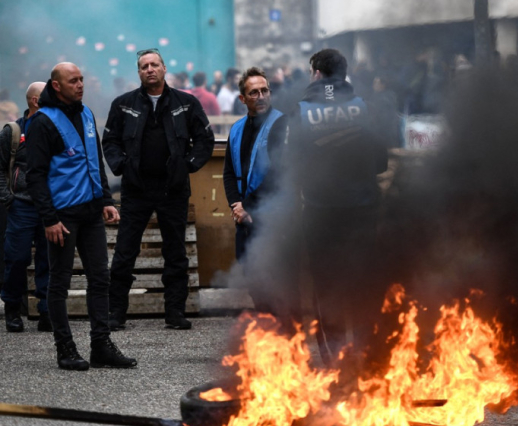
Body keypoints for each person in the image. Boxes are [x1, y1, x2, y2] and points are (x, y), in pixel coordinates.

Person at [26, 62, 136, 370]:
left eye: (82, 79)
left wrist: (105, 199)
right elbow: (35, 176)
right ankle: (65, 348)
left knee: (100, 279)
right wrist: (49, 219)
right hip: (62, 216)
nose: (80, 84)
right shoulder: (43, 122)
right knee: (59, 283)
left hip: (90, 213)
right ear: (56, 85)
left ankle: (101, 346)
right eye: (73, 81)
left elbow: (94, 161)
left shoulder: (87, 114)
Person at [103, 48, 215, 331]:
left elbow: (205, 139)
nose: (149, 69)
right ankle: (115, 313)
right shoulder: (123, 104)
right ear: (138, 72)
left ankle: (175, 312)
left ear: (165, 69)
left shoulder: (186, 103)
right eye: (144, 66)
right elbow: (110, 141)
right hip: (136, 189)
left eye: (154, 65)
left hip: (173, 189)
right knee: (125, 252)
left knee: (175, 251)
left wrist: (187, 165)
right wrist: (123, 166)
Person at [289, 48, 388, 366]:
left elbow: (293, 166)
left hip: (320, 212)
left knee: (325, 287)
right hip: (361, 211)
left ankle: (333, 364)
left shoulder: (301, 111)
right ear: (344, 74)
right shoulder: (364, 107)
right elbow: (381, 163)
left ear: (316, 73)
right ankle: (364, 360)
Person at [0, 82, 50, 333]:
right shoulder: (12, 131)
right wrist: (8, 197)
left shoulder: (56, 128)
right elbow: (0, 168)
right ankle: (12, 309)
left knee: (48, 260)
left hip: (50, 206)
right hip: (21, 205)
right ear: (34, 100)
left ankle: (47, 311)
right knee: (17, 258)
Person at [223, 67, 287, 263]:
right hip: (244, 217)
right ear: (242, 99)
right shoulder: (236, 129)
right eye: (254, 92)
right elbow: (229, 173)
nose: (261, 96)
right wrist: (237, 207)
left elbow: (278, 173)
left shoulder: (281, 123)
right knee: (251, 278)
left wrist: (247, 207)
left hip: (273, 216)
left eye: (264, 91)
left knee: (277, 282)